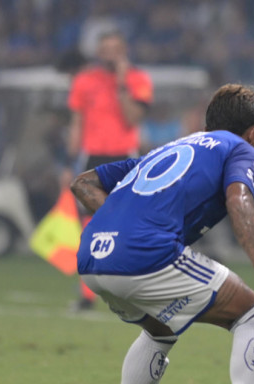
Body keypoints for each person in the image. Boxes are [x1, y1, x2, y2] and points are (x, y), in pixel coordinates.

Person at [70, 83, 254, 384]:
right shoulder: (241, 148)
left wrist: (124, 225)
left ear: (207, 127)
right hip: (145, 254)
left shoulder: (169, 148)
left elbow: (83, 182)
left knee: (161, 329)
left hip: (92, 258)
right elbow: (238, 199)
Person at [67, 31, 153, 310]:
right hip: (92, 157)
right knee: (88, 226)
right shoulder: (84, 81)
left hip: (125, 159)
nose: (109, 55)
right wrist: (69, 161)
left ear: (124, 51)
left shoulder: (138, 80)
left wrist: (121, 84)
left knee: (127, 224)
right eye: (104, 49)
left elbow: (133, 119)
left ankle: (133, 289)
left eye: (115, 49)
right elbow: (77, 121)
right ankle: (87, 294)